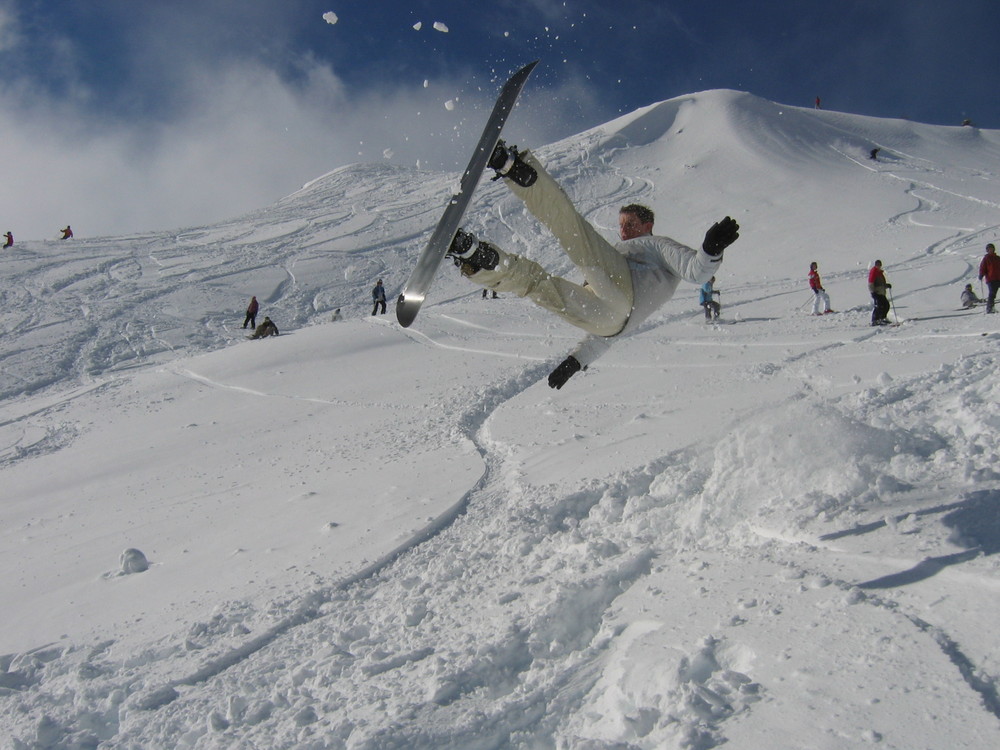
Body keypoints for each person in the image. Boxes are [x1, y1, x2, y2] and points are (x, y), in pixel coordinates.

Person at [446, 140, 738, 389]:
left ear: (647, 224)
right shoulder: (619, 250)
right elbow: (611, 333)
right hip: (610, 320)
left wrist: (710, 249)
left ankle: (515, 169)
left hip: (620, 298)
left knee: (570, 229)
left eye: (630, 224)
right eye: (621, 225)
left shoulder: (656, 245)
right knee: (538, 286)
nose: (623, 231)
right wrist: (577, 360)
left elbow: (697, 271)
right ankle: (479, 259)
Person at [868, 259, 891, 326]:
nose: (879, 266)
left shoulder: (879, 272)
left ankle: (882, 318)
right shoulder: (874, 272)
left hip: (881, 292)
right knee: (879, 306)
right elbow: (870, 283)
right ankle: (876, 320)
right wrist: (873, 292)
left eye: (879, 265)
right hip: (877, 292)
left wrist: (886, 285)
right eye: (877, 265)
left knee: (886, 305)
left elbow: (881, 283)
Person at [979, 243, 1000, 313]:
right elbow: (982, 267)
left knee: (993, 293)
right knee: (992, 293)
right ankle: (990, 308)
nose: (990, 250)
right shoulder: (986, 258)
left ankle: (991, 308)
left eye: (992, 248)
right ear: (987, 250)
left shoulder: (997, 258)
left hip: (998, 278)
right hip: (991, 279)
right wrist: (981, 274)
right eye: (989, 249)